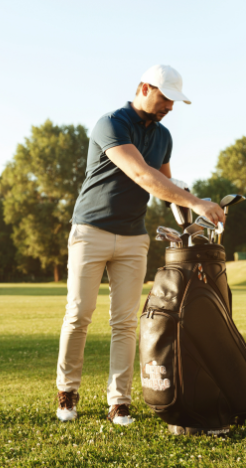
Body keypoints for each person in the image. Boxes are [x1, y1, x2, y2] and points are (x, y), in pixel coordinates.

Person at [55, 64, 225, 425]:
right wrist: (195, 203)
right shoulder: (111, 124)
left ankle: (119, 402)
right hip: (91, 231)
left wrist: (195, 208)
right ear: (144, 88)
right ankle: (67, 392)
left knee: (125, 323)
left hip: (134, 237)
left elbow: (165, 183)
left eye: (174, 101)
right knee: (79, 314)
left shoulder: (164, 137)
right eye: (165, 98)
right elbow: (140, 174)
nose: (170, 107)